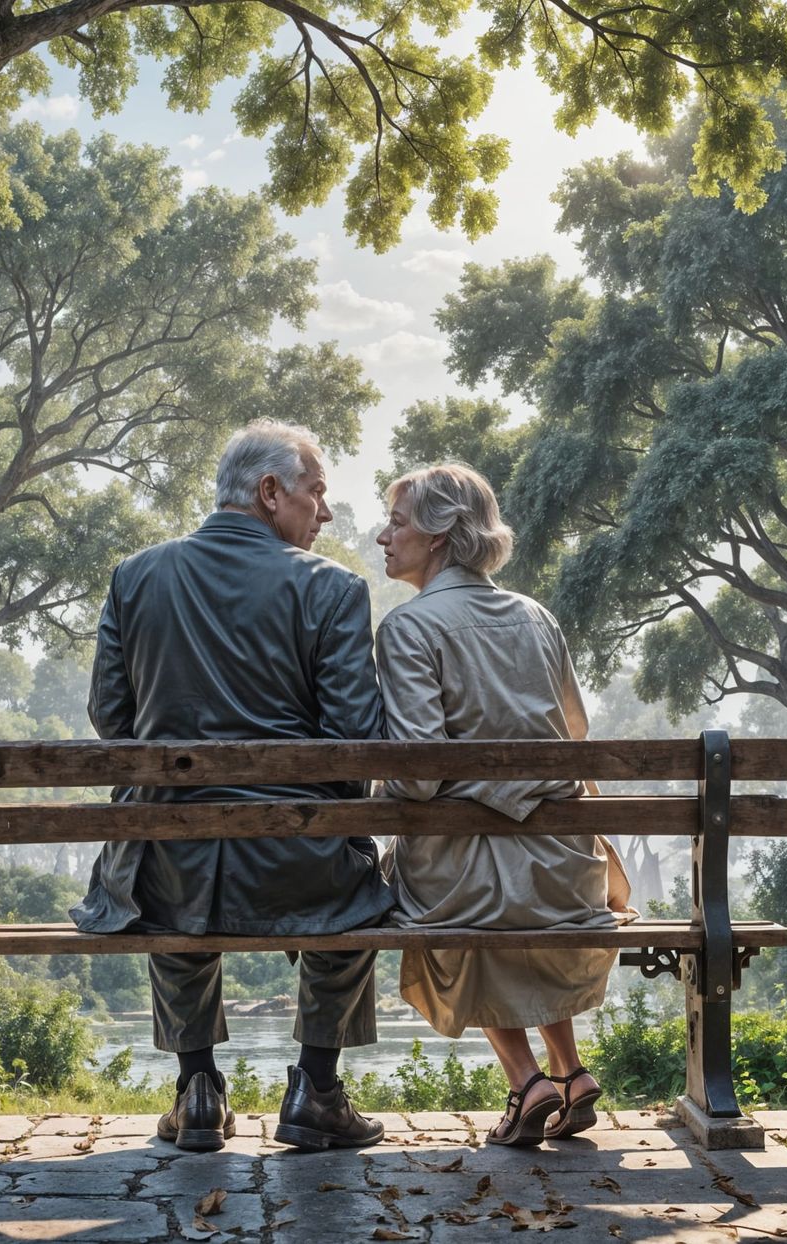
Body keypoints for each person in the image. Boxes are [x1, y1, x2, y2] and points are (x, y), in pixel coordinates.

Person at [73, 419, 393, 1153]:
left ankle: (198, 1090)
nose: (327, 512)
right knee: (362, 889)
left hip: (163, 871)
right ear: (269, 491)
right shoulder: (334, 589)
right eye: (317, 493)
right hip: (302, 870)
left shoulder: (134, 576)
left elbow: (112, 721)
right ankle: (317, 1086)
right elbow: (354, 742)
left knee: (169, 858)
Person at [373, 463, 633, 1147]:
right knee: (504, 877)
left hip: (465, 887)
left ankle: (527, 1082)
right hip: (567, 873)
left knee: (452, 890)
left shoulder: (408, 628)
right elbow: (574, 735)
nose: (381, 536)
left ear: (436, 537)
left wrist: (381, 793)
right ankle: (572, 1073)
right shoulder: (536, 616)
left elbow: (419, 777)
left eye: (396, 522)